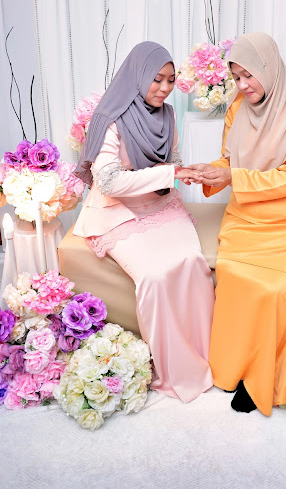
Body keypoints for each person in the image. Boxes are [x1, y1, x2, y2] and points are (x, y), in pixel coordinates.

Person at [192, 32, 286, 415]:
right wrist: (210, 172)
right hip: (248, 212)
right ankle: (232, 368)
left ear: (268, 68)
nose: (242, 85)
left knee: (274, 287)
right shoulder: (239, 106)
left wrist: (233, 176)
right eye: (236, 77)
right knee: (234, 273)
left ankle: (259, 377)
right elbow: (230, 161)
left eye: (249, 75)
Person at [73, 41, 215, 403]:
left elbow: (173, 159)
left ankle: (206, 356)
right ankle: (173, 369)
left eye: (170, 80)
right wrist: (171, 173)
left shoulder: (168, 115)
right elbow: (108, 182)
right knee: (153, 276)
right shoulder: (110, 119)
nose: (164, 88)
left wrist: (184, 171)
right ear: (138, 76)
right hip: (116, 211)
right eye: (157, 79)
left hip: (160, 203)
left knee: (193, 264)